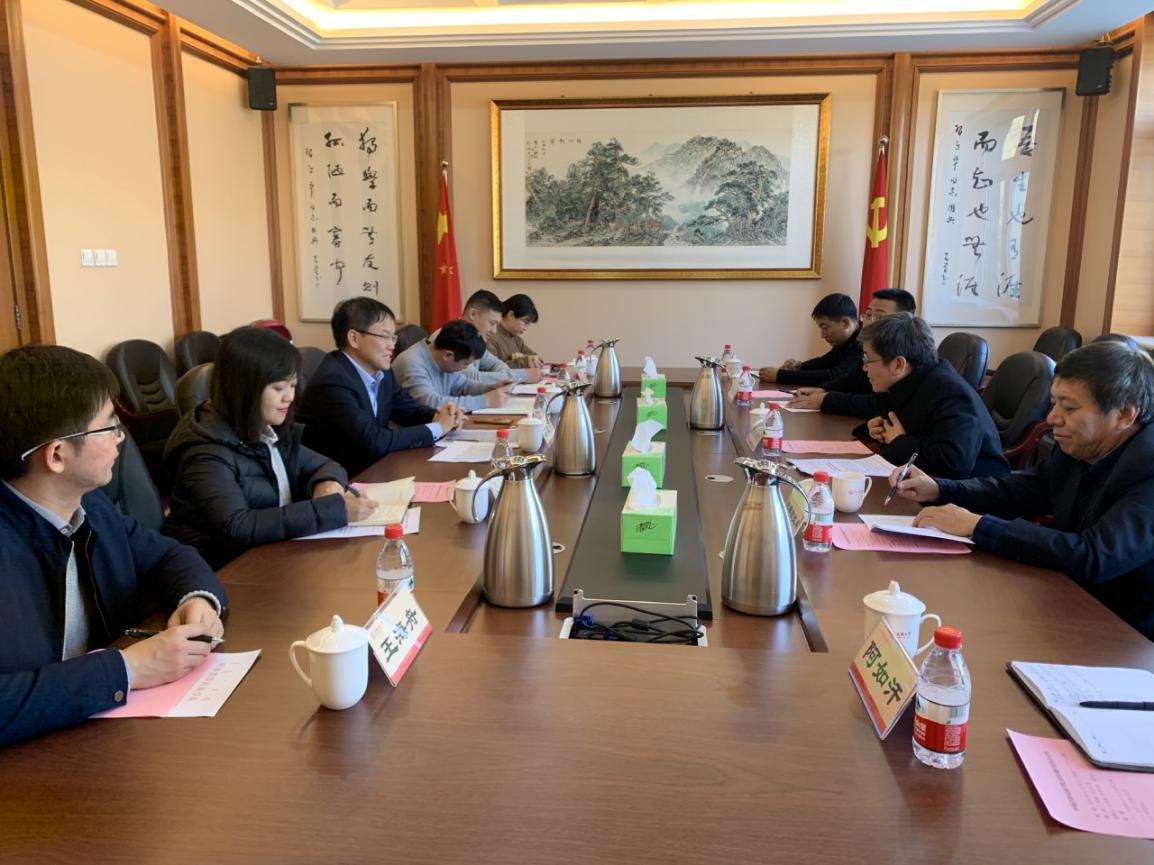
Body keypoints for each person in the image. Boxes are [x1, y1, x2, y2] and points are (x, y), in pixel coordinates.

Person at [0, 345, 227, 745]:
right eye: (108, 427)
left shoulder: (91, 506)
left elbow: (168, 555)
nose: (121, 437)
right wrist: (127, 669)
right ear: (57, 455)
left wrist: (197, 599)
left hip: (105, 737)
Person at [893, 342, 1154, 640]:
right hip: (1062, 599)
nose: (1052, 418)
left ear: (1124, 415)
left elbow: (1094, 557)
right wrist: (940, 489)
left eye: (1069, 408)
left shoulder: (1147, 468)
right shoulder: (1081, 444)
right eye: (1053, 403)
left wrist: (978, 525)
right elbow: (1020, 490)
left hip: (1124, 634)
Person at [163, 327, 378, 569]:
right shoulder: (205, 451)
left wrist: (326, 485)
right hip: (219, 570)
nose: (289, 397)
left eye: (293, 385)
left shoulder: (265, 428)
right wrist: (332, 510)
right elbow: (238, 525)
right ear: (244, 388)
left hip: (271, 555)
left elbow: (326, 464)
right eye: (278, 388)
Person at [296, 298, 464, 476]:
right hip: (341, 479)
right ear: (354, 338)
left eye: (393, 337)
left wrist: (444, 416)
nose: (392, 345)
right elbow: (374, 441)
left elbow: (409, 411)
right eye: (385, 336)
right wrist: (438, 427)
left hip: (376, 469)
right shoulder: (332, 381)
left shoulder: (382, 372)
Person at [857, 313, 1008, 480]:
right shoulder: (909, 381)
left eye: (867, 360)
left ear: (898, 364)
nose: (864, 368)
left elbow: (954, 462)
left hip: (980, 487)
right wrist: (878, 430)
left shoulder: (949, 392)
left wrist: (899, 441)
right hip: (932, 480)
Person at [789, 288, 917, 415]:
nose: (869, 323)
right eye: (868, 315)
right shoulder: (869, 347)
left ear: (904, 320)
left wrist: (826, 399)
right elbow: (851, 380)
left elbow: (882, 404)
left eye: (880, 317)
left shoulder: (908, 354)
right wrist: (823, 389)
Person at [392, 319, 513, 412]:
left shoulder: (443, 359)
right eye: (466, 363)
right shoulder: (412, 363)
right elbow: (430, 403)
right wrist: (485, 401)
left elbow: (463, 386)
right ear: (448, 355)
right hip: (407, 432)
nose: (466, 368)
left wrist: (490, 388)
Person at [436, 290, 543, 385]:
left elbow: (495, 364)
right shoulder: (452, 336)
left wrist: (509, 376)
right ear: (473, 314)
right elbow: (471, 378)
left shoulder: (475, 338)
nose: (494, 331)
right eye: (492, 323)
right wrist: (522, 375)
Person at [758, 293, 863, 386]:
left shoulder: (864, 343)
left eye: (825, 328)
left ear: (845, 323)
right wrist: (798, 366)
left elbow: (837, 376)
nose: (822, 335)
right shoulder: (846, 342)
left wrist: (781, 376)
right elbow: (824, 362)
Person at [487, 294, 543, 369]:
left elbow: (535, 357)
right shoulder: (490, 337)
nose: (526, 328)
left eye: (528, 324)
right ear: (511, 315)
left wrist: (523, 357)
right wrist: (523, 361)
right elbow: (492, 370)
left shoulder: (516, 339)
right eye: (525, 322)